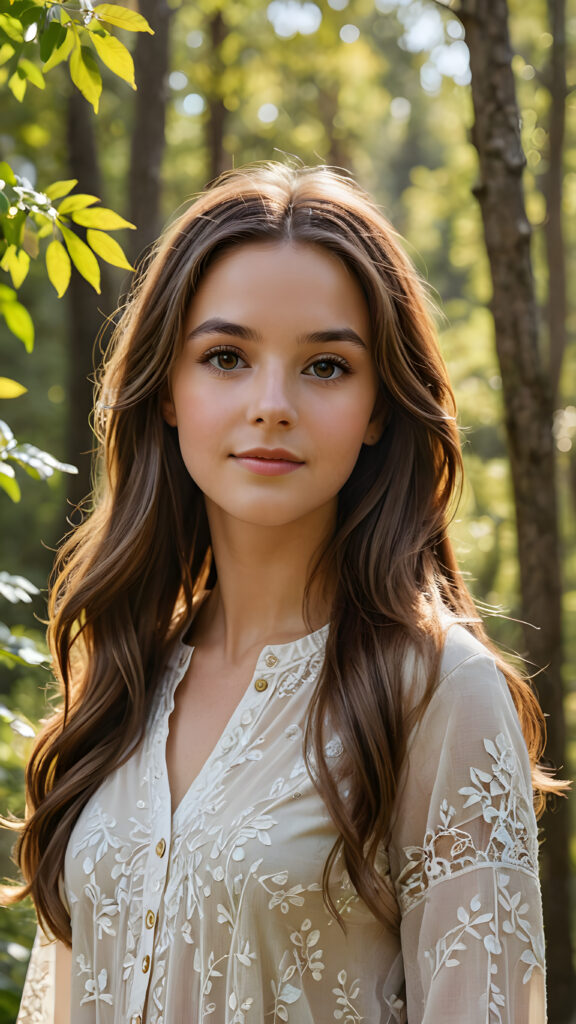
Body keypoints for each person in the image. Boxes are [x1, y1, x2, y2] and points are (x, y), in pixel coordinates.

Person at [3, 163, 564, 1023]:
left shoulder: (439, 693)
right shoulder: (122, 678)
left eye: (327, 367)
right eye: (226, 357)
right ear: (168, 394)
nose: (272, 404)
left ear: (380, 406)